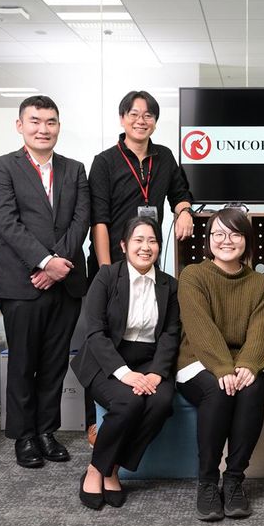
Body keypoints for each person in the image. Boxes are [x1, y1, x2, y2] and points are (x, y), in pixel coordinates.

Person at [86, 89, 194, 442]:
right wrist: (107, 271)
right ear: (122, 119)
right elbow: (99, 220)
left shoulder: (164, 157)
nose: (140, 120)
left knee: (146, 330)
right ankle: (95, 420)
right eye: (133, 114)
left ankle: (137, 397)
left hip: (146, 258)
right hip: (112, 261)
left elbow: (180, 193)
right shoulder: (105, 161)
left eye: (148, 115)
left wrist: (183, 212)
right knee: (106, 337)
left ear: (155, 122)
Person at [0, 95, 90, 468]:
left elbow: (81, 219)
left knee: (54, 362)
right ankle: (24, 436)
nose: (43, 129)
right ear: (20, 125)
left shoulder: (74, 169)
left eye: (50, 122)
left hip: (66, 283)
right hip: (21, 284)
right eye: (35, 121)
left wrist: (57, 264)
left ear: (59, 126)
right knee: (23, 362)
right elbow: (7, 221)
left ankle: (47, 431)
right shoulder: (2, 166)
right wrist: (45, 262)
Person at [71, 216, 180, 510]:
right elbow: (95, 332)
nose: (146, 247)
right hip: (106, 359)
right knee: (128, 402)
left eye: (152, 241)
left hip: (149, 360)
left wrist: (157, 373)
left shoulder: (169, 285)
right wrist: (123, 373)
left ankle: (111, 467)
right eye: (138, 240)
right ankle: (96, 470)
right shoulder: (107, 277)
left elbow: (171, 333)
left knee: (161, 402)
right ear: (123, 245)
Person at [176, 208, 264, 521]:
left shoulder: (258, 283)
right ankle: (207, 482)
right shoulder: (193, 275)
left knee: (253, 389)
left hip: (241, 360)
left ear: (246, 240)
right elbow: (200, 329)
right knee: (218, 391)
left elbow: (260, 331)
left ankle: (233, 481)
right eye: (218, 234)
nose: (226, 240)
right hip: (198, 360)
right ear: (208, 240)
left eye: (234, 234)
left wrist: (248, 364)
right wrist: (223, 369)